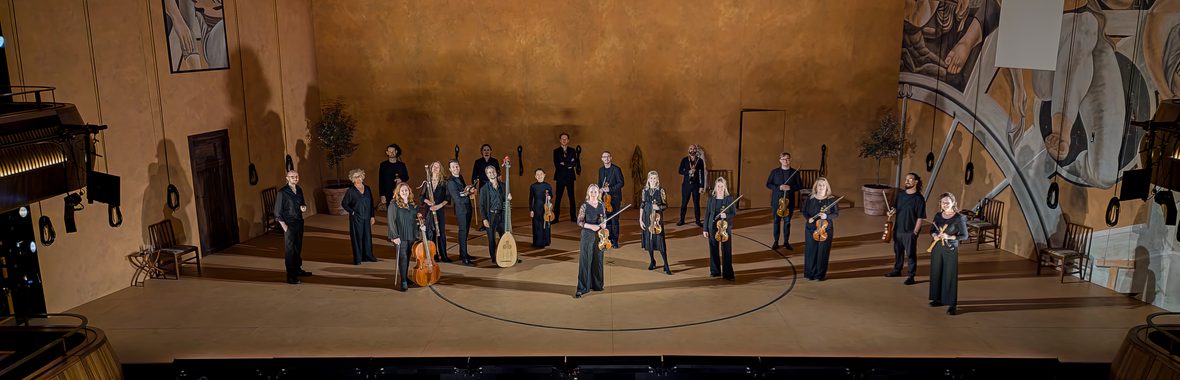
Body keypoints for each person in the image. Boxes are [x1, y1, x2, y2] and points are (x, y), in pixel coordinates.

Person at [929, 192, 968, 315]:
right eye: (943, 202)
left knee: (949, 276)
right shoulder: (938, 216)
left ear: (953, 203)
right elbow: (932, 230)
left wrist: (949, 236)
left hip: (950, 250)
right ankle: (938, 299)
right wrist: (935, 235)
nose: (945, 204)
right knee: (936, 273)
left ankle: (952, 304)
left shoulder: (959, 218)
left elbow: (964, 236)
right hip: (937, 248)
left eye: (948, 202)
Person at [887, 173, 927, 285]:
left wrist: (915, 232)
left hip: (910, 231)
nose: (907, 181)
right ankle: (897, 270)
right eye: (906, 179)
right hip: (898, 229)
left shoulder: (919, 199)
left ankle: (911, 275)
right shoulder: (900, 194)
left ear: (916, 182)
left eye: (910, 179)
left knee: (911, 254)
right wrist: (891, 212)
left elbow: (920, 217)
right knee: (898, 252)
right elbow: (895, 208)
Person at [274, 170, 312, 284]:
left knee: (298, 247)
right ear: (287, 178)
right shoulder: (282, 192)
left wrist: (303, 207)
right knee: (290, 250)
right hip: (289, 223)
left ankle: (298, 269)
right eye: (292, 177)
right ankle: (290, 275)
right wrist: (284, 226)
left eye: (296, 176)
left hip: (299, 221)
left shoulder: (299, 189)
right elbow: (277, 212)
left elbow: (302, 203)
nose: (295, 178)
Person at [388, 182, 425, 292]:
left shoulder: (413, 204)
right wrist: (394, 236)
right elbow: (391, 221)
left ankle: (405, 277)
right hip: (400, 235)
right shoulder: (393, 205)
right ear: (398, 192)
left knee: (408, 256)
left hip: (411, 234)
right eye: (402, 190)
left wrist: (421, 226)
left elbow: (417, 218)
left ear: (409, 192)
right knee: (403, 257)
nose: (404, 192)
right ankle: (403, 281)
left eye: (406, 190)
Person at [801, 177, 839, 281]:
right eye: (819, 185)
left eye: (823, 185)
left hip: (825, 229)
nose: (821, 187)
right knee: (810, 251)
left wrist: (826, 217)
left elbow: (836, 214)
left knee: (823, 252)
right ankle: (810, 273)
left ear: (826, 187)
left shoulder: (831, 199)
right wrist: (808, 218)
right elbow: (804, 211)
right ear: (816, 187)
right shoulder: (810, 198)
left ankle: (820, 275)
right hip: (811, 228)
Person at [575, 184, 607, 298]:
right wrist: (590, 226)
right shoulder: (584, 206)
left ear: (598, 193)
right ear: (588, 193)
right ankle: (582, 288)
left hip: (599, 236)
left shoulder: (601, 205)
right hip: (587, 235)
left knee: (598, 260)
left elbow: (604, 218)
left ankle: (597, 285)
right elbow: (579, 221)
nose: (593, 193)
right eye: (591, 191)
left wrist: (604, 224)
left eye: (595, 191)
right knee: (585, 260)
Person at [766, 152, 803, 250]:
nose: (785, 161)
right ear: (780, 160)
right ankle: (776, 242)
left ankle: (786, 242)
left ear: (790, 160)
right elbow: (768, 184)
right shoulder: (774, 172)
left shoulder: (795, 172)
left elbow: (800, 186)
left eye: (787, 159)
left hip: (789, 202)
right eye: (783, 159)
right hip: (776, 201)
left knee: (787, 222)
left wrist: (790, 187)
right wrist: (779, 187)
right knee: (776, 222)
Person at [341, 169, 378, 265]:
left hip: (367, 217)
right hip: (356, 218)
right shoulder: (351, 191)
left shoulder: (367, 188)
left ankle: (368, 256)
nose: (358, 179)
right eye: (356, 177)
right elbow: (344, 203)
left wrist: (372, 216)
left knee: (367, 237)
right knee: (357, 238)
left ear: (362, 177)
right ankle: (358, 258)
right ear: (352, 179)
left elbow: (371, 203)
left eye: (359, 176)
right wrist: (352, 212)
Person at [703, 177, 737, 281]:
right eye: (718, 186)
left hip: (725, 228)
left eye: (722, 186)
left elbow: (733, 214)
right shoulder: (711, 199)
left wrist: (725, 215)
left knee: (726, 250)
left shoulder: (729, 199)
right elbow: (707, 214)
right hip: (712, 227)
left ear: (725, 187)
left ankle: (728, 273)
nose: (720, 188)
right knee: (713, 249)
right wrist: (705, 229)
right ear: (715, 187)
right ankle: (715, 271)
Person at [445, 160, 476, 266]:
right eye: (453, 167)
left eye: (457, 166)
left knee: (466, 232)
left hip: (467, 208)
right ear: (450, 169)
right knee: (463, 232)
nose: (456, 168)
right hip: (461, 210)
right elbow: (457, 199)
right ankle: (464, 257)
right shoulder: (450, 182)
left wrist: (469, 191)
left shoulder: (460, 177)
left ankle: (464, 253)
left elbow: (462, 192)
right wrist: (467, 195)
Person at [640, 171, 671, 274]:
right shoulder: (645, 190)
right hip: (646, 216)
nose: (653, 180)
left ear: (657, 179)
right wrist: (640, 219)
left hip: (657, 218)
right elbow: (642, 204)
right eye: (651, 178)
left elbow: (665, 205)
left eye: (655, 178)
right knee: (649, 239)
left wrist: (658, 207)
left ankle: (666, 265)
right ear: (648, 179)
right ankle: (652, 261)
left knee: (660, 240)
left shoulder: (661, 190)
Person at [480, 165, 512, 263]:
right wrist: (484, 219)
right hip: (491, 216)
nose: (492, 174)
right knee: (491, 239)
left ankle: (507, 256)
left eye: (493, 171)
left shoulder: (503, 185)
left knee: (505, 237)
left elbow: (506, 200)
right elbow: (481, 205)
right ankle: (494, 258)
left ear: (496, 172)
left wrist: (509, 198)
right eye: (489, 172)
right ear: (487, 175)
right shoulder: (484, 189)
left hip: (502, 215)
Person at [421, 161, 451, 262]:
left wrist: (438, 206)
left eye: (437, 167)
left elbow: (447, 198)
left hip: (439, 210)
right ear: (431, 168)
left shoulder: (444, 182)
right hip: (429, 210)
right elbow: (422, 196)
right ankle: (434, 255)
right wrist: (427, 201)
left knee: (441, 233)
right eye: (434, 166)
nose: (435, 168)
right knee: (431, 232)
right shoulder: (427, 181)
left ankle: (444, 255)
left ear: (440, 169)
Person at [597, 151, 624, 247]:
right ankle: (608, 238)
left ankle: (615, 241)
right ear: (602, 159)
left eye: (608, 157)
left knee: (615, 220)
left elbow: (621, 183)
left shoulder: (616, 169)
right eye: (604, 157)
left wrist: (610, 189)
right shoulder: (601, 170)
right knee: (606, 220)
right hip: (605, 199)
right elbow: (600, 183)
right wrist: (600, 190)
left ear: (611, 158)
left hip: (615, 198)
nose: (606, 158)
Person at [471, 144, 500, 231]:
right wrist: (474, 188)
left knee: (494, 203)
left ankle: (496, 223)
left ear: (491, 151)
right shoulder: (478, 162)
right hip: (483, 185)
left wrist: (500, 186)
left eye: (488, 150)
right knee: (484, 204)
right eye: (484, 150)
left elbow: (499, 175)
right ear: (481, 152)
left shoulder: (495, 161)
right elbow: (474, 176)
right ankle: (485, 223)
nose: (486, 151)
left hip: (494, 185)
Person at [552, 133, 580, 222]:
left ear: (568, 140)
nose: (564, 140)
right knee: (558, 198)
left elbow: (574, 163)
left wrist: (565, 163)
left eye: (566, 139)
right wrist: (569, 164)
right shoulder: (556, 151)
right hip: (560, 177)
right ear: (560, 140)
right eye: (562, 139)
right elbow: (557, 165)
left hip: (570, 177)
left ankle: (573, 217)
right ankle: (555, 217)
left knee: (572, 197)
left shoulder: (572, 150)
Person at [678, 144, 706, 227]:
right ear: (688, 150)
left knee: (696, 204)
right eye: (690, 148)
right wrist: (688, 172)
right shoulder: (684, 160)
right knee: (684, 204)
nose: (692, 150)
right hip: (686, 186)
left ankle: (697, 221)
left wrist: (702, 186)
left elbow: (702, 174)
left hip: (696, 186)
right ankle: (682, 220)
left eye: (694, 149)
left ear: (696, 150)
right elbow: (679, 171)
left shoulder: (700, 161)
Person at [528, 168, 553, 247]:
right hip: (536, 208)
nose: (539, 176)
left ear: (544, 175)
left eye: (541, 174)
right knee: (537, 225)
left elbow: (551, 195)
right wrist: (531, 210)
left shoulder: (548, 186)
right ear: (535, 176)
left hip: (545, 208)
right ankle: (537, 242)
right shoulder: (533, 186)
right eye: (537, 174)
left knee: (546, 224)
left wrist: (549, 197)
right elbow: (531, 198)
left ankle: (546, 241)